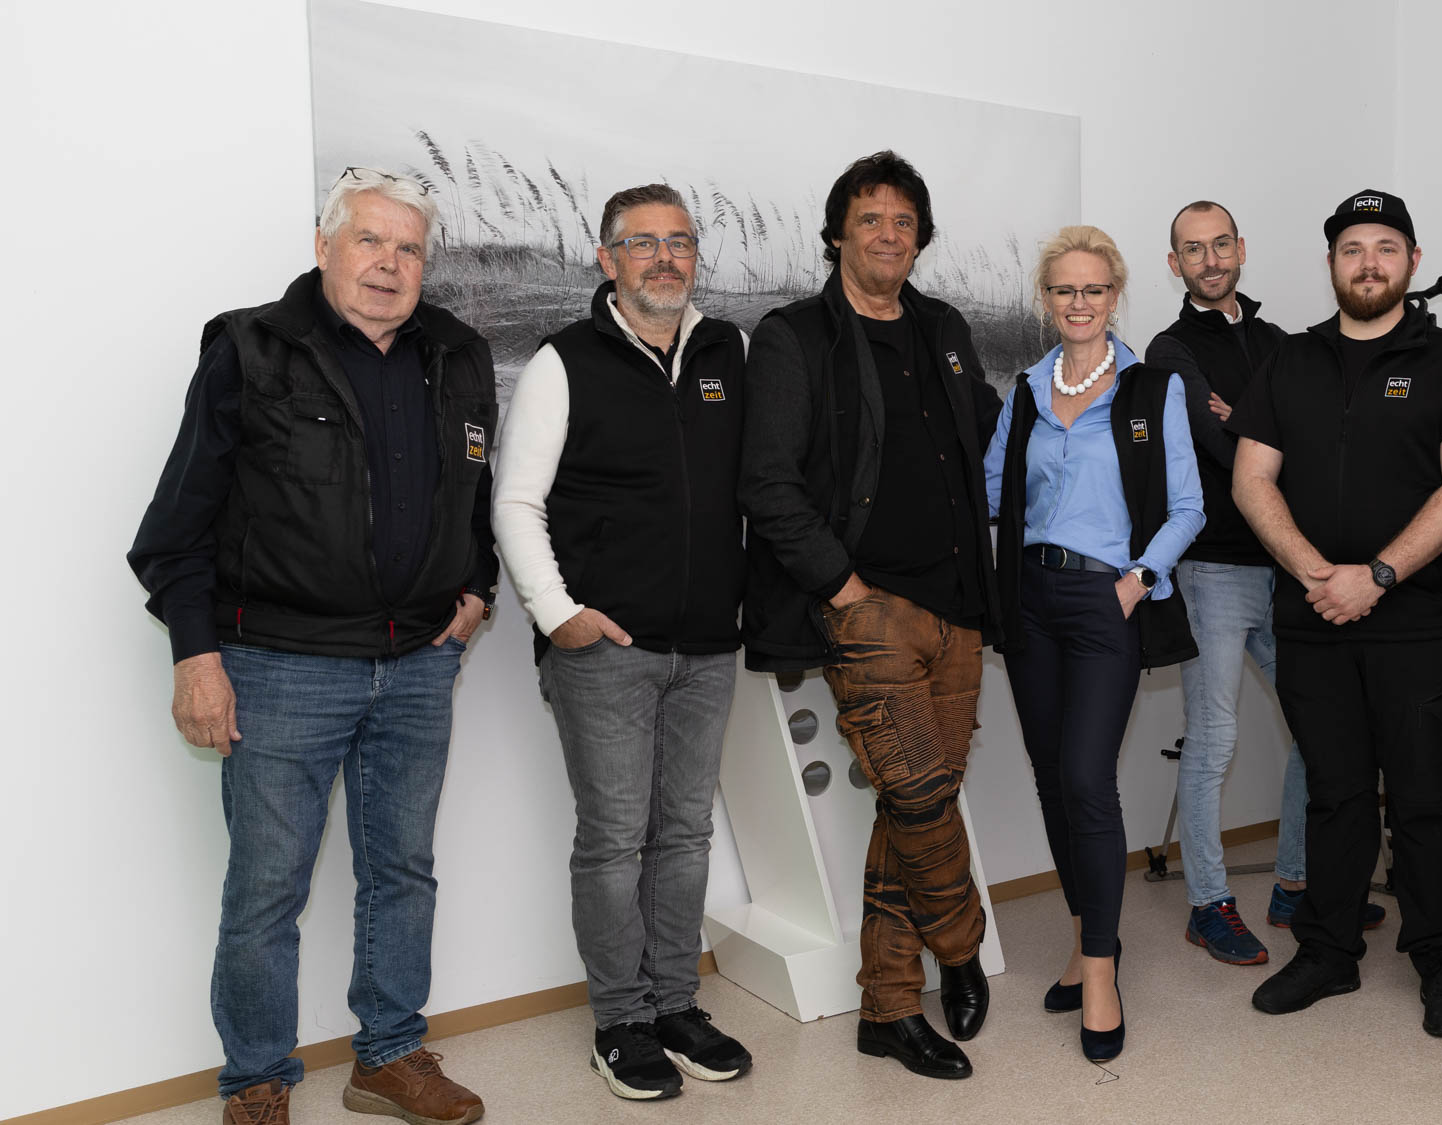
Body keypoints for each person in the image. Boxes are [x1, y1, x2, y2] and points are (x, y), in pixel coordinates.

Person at [129, 166, 493, 1125]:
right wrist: (196, 658)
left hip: (418, 667)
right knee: (266, 892)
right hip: (279, 666)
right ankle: (256, 1079)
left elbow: (476, 497)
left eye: (409, 248)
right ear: (324, 245)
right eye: (369, 240)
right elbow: (174, 530)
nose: (389, 264)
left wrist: (477, 589)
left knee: (403, 873)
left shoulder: (457, 355)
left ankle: (390, 1054)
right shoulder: (252, 349)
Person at [738, 151, 1003, 1081]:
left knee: (910, 805)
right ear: (837, 235)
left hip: (959, 607)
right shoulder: (794, 336)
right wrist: (845, 590)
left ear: (920, 237)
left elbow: (986, 433)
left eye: (903, 221)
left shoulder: (945, 328)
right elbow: (767, 482)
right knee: (922, 797)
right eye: (869, 219)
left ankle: (887, 1008)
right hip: (870, 610)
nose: (888, 235)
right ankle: (960, 945)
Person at [492, 183, 753, 1101]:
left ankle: (676, 1004)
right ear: (607, 260)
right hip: (605, 651)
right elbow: (515, 501)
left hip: (708, 647)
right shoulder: (564, 360)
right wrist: (558, 612)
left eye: (679, 241)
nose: (664, 258)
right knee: (613, 841)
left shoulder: (728, 352)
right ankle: (621, 1021)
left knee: (684, 834)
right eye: (643, 243)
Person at [1230, 190, 1442, 1037]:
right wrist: (1318, 572)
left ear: (1412, 261)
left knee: (1423, 799)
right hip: (1313, 615)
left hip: (1415, 619)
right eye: (1352, 248)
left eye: (1386, 246)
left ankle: (1440, 961)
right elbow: (1251, 479)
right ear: (1332, 264)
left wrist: (1377, 575)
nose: (1369, 262)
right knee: (1334, 792)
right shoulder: (1291, 360)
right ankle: (1328, 951)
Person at [986, 225, 1205, 1062]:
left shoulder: (1152, 389)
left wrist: (1138, 579)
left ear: (1115, 295)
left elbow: (1188, 505)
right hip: (1030, 600)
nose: (1079, 303)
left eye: (1094, 289)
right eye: (1064, 290)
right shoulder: (1026, 391)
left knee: (1088, 779)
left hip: (1103, 600)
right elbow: (992, 488)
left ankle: (1104, 971)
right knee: (1052, 779)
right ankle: (1083, 940)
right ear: (1046, 300)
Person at [1145, 200, 1361, 966]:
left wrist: (1255, 424)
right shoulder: (1170, 350)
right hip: (1211, 568)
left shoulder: (1279, 342)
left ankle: (1294, 883)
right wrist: (1260, 427)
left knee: (1317, 727)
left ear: (1241, 248)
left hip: (1285, 563)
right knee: (1214, 740)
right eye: (1193, 249)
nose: (1210, 259)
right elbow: (1218, 441)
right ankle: (1208, 903)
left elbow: (1324, 436)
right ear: (1175, 263)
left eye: (1220, 244)